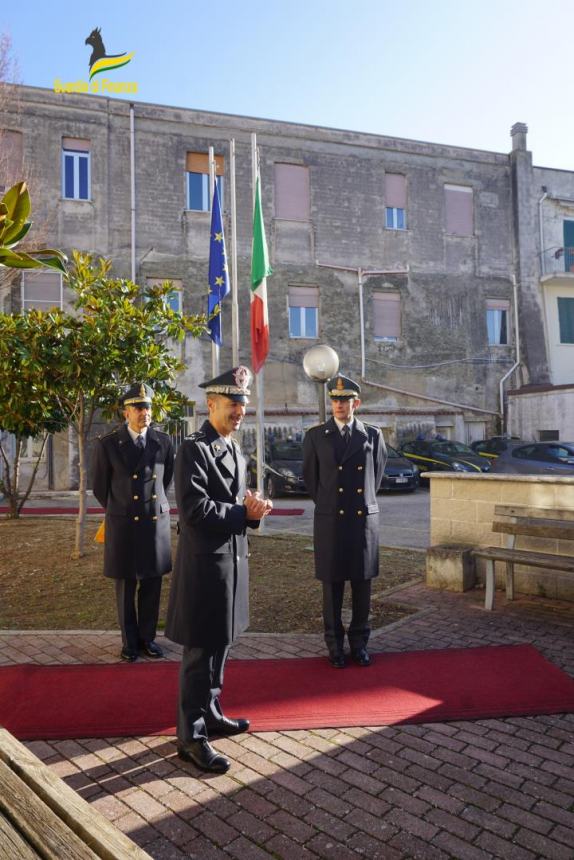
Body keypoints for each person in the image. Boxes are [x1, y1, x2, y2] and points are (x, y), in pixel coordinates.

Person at [165, 366, 272, 774]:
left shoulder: (232, 448)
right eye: (233, 404)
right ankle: (190, 736)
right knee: (200, 653)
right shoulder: (194, 447)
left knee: (221, 645)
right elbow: (193, 511)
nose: (240, 411)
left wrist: (255, 510)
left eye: (243, 404)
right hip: (205, 565)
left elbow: (235, 505)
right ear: (211, 405)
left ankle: (211, 714)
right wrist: (242, 513)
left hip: (232, 562)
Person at [303, 374, 387, 669]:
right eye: (335, 400)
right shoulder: (315, 436)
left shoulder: (373, 435)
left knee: (362, 586)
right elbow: (312, 481)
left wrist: (359, 503)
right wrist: (330, 503)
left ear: (356, 403)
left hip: (363, 520)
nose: (339, 405)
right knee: (333, 587)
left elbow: (376, 476)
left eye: (345, 400)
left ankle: (360, 644)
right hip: (331, 521)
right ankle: (335, 645)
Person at [92, 383, 174, 662]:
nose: (145, 413)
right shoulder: (108, 444)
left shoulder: (163, 442)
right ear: (126, 412)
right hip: (124, 523)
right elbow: (101, 488)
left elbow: (166, 479)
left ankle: (148, 639)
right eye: (139, 408)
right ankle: (129, 643)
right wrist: (122, 507)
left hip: (154, 524)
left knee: (152, 584)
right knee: (126, 586)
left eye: (148, 407)